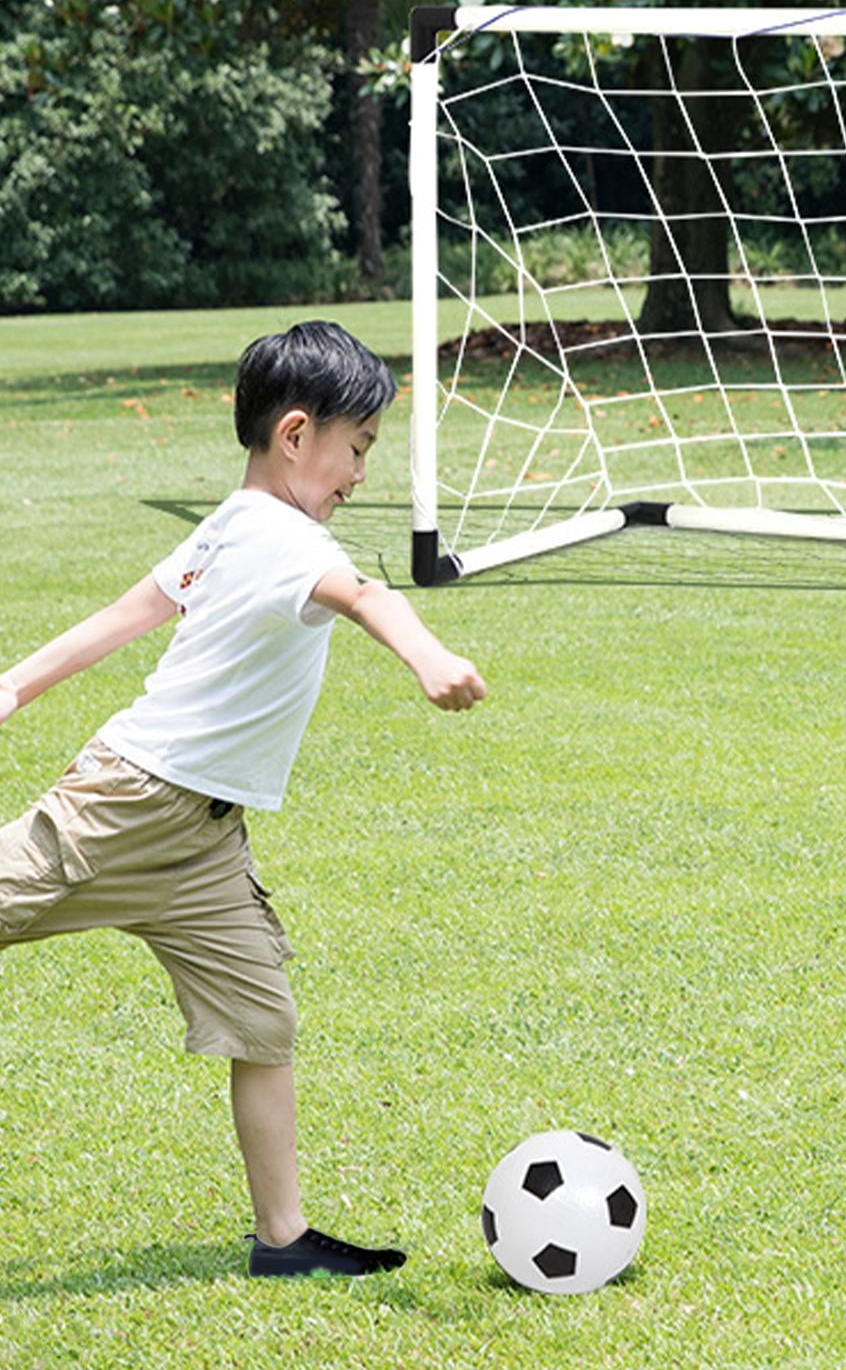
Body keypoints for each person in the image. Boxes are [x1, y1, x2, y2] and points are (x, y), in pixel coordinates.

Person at [0, 320, 486, 1278]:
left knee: (264, 1021)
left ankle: (283, 1240)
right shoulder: (281, 538)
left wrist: (13, 686)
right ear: (298, 435)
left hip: (206, 844)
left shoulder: (233, 521)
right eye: (359, 448)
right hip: (128, 808)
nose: (359, 474)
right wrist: (431, 658)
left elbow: (127, 614)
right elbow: (369, 596)